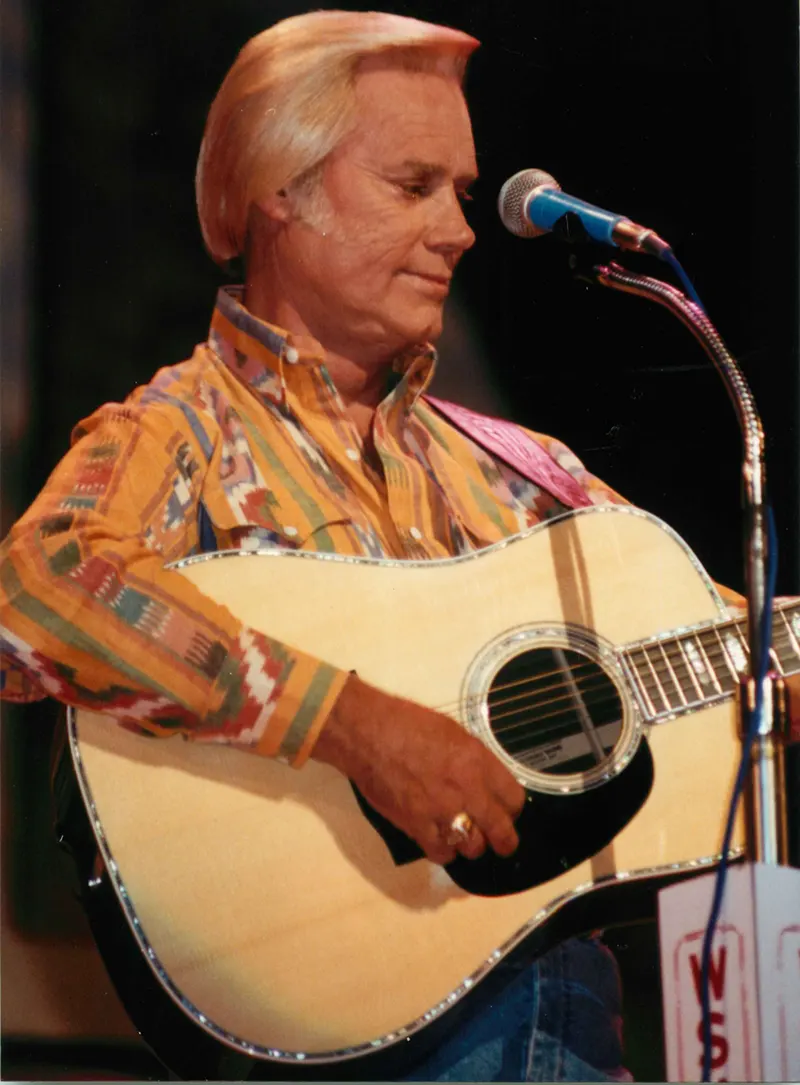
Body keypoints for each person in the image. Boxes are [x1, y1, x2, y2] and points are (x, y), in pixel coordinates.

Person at [2, 9, 794, 1082]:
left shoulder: (520, 470)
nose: (460, 230)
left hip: (562, 1024)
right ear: (281, 191)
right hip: (327, 1018)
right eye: (413, 186)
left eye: (460, 193)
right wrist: (352, 725)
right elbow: (37, 590)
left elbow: (736, 638)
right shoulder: (179, 430)